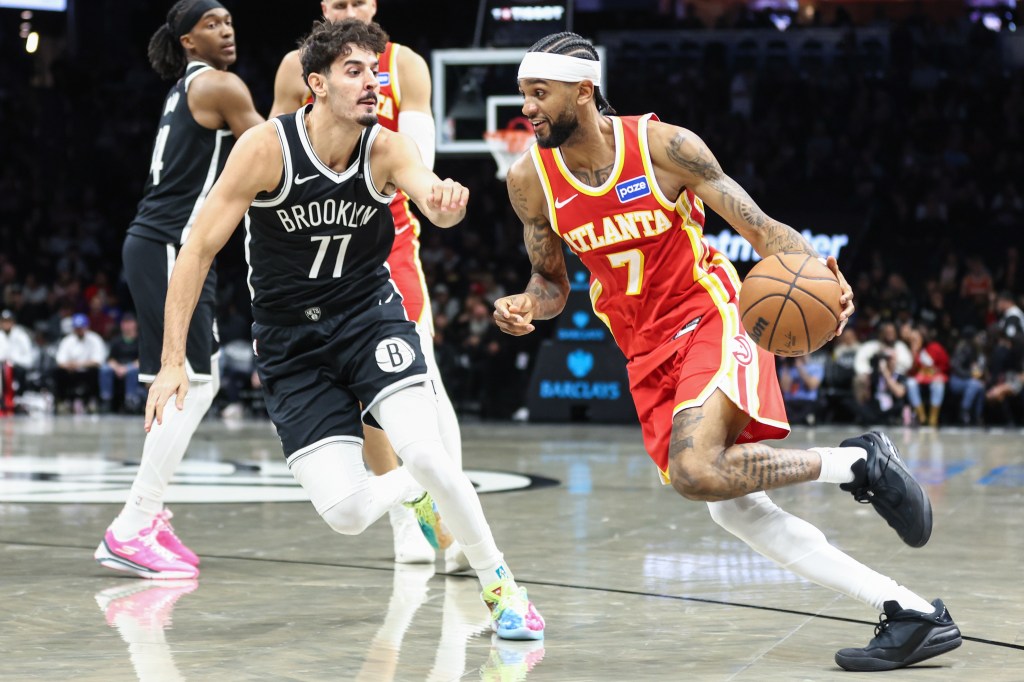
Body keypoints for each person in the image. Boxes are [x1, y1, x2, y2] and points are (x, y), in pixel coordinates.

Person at [493, 31, 958, 670]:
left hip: (710, 312)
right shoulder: (529, 180)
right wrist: (526, 304)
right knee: (735, 513)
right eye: (524, 94)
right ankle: (910, 612)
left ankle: (856, 464)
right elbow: (550, 283)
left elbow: (762, 231)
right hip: (643, 347)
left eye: (538, 93)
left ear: (583, 88)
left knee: (695, 471)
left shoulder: (664, 147)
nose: (528, 108)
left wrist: (822, 272)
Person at [144, 19, 544, 640]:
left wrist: (443, 203)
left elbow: (427, 193)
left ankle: (503, 587)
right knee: (349, 513)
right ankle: (411, 490)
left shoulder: (385, 147)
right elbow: (195, 251)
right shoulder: (266, 150)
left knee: (428, 448)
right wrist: (173, 359)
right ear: (317, 84)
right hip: (289, 343)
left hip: (368, 317)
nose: (371, 83)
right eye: (354, 71)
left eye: (375, 72)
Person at [270, 0, 467, 571]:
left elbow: (421, 167)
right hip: (308, 252)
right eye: (337, 2)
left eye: (356, 2)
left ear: (374, 5)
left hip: (386, 244)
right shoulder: (294, 68)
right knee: (356, 405)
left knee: (421, 384)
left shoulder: (405, 66)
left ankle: (453, 522)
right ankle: (413, 523)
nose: (346, 9)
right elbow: (270, 152)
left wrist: (435, 196)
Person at [94, 0, 265, 580]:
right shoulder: (221, 85)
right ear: (188, 41)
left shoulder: (188, 87)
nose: (226, 29)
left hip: (164, 244)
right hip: (171, 245)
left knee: (188, 382)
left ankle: (146, 514)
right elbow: (273, 154)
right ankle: (132, 524)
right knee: (193, 380)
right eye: (212, 25)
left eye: (229, 21)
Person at [55, 314, 108, 414]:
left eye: (81, 327)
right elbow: (60, 361)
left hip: (88, 371)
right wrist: (69, 366)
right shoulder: (67, 340)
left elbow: (98, 361)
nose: (79, 330)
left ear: (87, 327)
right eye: (77, 328)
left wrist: (79, 364)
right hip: (71, 371)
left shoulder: (95, 339)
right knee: (58, 372)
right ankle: (63, 401)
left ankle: (92, 401)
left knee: (97, 372)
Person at [100, 315, 144, 414]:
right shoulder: (116, 340)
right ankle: (106, 399)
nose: (127, 326)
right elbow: (110, 359)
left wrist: (127, 368)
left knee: (133, 371)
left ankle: (130, 400)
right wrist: (117, 368)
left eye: (130, 323)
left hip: (133, 367)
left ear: (135, 324)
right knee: (105, 369)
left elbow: (142, 359)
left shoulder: (140, 340)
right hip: (118, 367)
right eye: (125, 323)